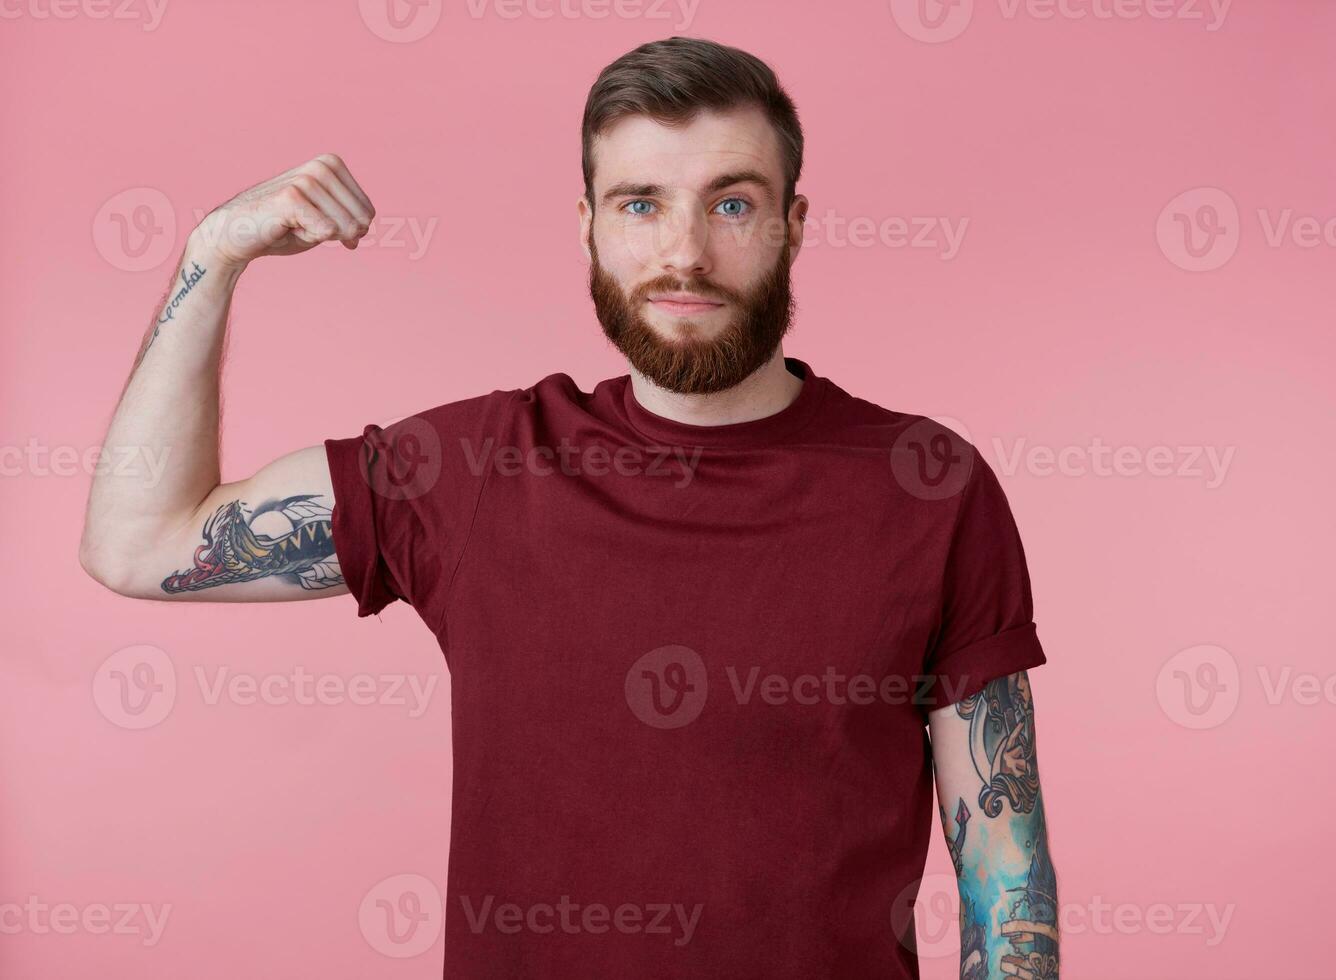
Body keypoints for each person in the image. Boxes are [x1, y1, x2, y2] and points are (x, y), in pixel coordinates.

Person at [79, 35, 1058, 980]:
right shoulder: (470, 471)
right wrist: (215, 254)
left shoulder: (928, 483)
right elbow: (141, 539)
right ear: (587, 224)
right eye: (641, 203)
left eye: (730, 202)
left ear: (793, 223)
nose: (685, 251)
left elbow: (1001, 882)